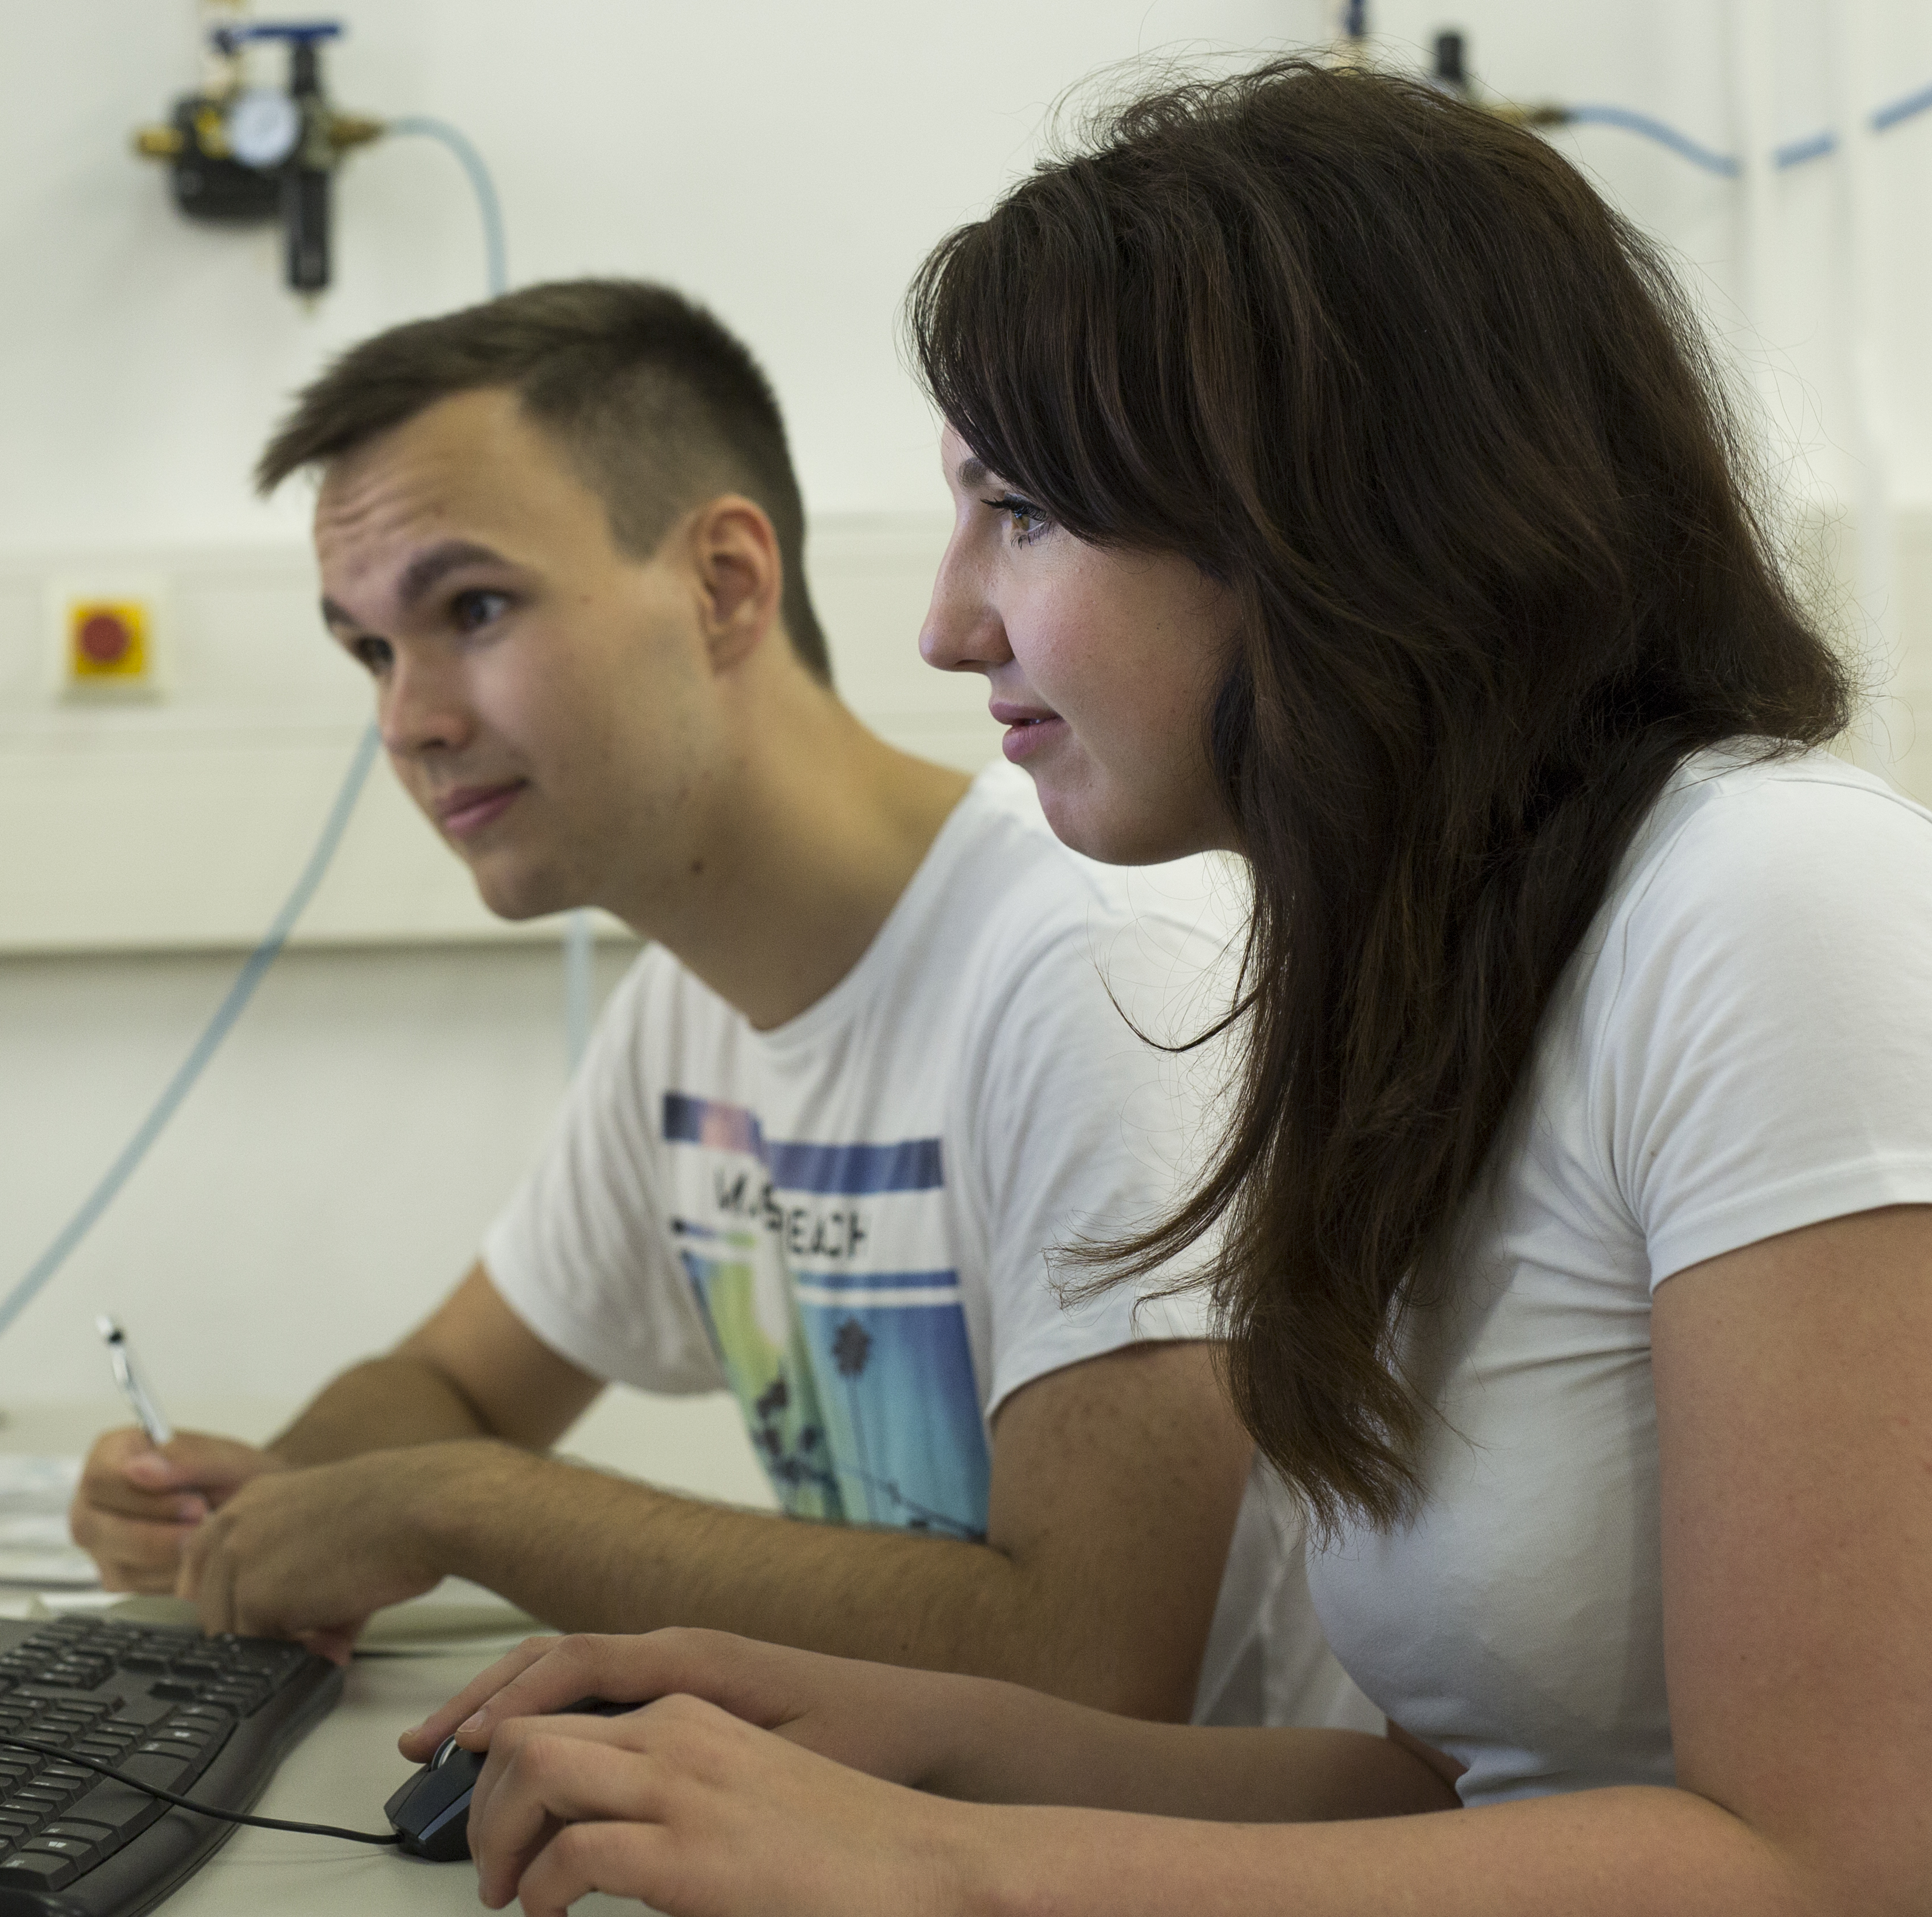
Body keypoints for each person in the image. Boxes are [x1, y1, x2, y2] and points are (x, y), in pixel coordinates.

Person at [414, 57, 1932, 1917]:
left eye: (1023, 513)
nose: (946, 621)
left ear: (1320, 512)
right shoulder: (1420, 970)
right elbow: (1462, 1796)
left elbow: (1837, 1865)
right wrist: (870, 1729)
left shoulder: (1774, 896)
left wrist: (951, 1865)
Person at [66, 279, 1365, 1728]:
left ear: (725, 584)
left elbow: (1085, 1662)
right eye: (371, 648)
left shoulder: (1101, 966)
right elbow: (455, 1383)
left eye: (472, 609)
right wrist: (262, 1508)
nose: (409, 719)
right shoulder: (689, 1012)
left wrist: (459, 1505)